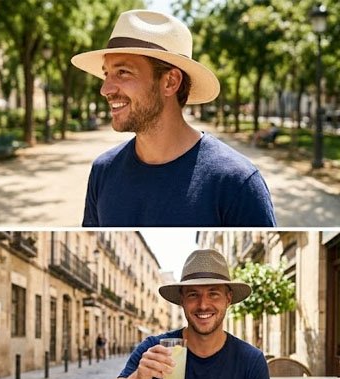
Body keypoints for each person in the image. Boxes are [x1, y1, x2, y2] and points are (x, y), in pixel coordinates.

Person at [70, 10, 276, 227]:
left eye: (123, 72)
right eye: (106, 74)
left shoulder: (236, 182)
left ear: (170, 81)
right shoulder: (103, 171)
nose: (105, 89)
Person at [97, 249, 272, 379]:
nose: (203, 305)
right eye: (193, 295)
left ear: (228, 298)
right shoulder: (155, 349)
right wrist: (139, 377)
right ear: (182, 300)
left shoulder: (250, 360)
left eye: (213, 293)